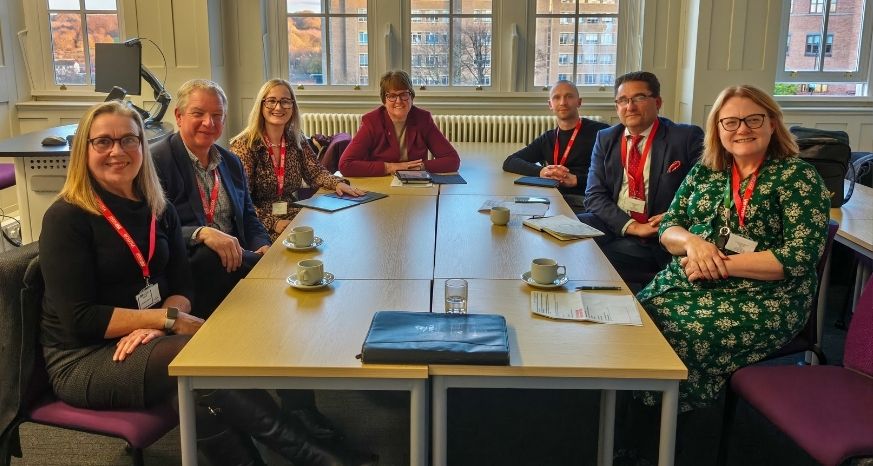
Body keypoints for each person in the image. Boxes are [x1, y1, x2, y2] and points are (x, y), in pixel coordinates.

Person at [39, 101, 374, 466]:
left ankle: (301, 456)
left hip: (146, 336)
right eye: (102, 142)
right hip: (87, 356)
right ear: (83, 151)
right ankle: (319, 457)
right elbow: (79, 318)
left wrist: (164, 318)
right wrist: (162, 321)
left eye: (128, 140)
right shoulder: (66, 217)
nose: (117, 151)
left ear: (141, 146)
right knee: (197, 359)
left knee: (200, 394)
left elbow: (184, 286)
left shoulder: (156, 206)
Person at [633, 84, 830, 462]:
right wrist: (693, 243)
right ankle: (638, 419)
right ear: (718, 130)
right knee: (638, 319)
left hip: (766, 296)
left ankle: (673, 438)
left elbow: (799, 257)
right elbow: (668, 226)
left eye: (753, 119)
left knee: (683, 333)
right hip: (692, 277)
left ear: (772, 124)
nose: (742, 129)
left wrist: (719, 263)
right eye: (731, 122)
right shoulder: (706, 173)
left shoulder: (797, 178)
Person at [152, 79, 271, 317]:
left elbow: (248, 216)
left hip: (234, 260)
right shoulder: (157, 161)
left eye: (218, 115)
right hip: (191, 265)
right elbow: (153, 227)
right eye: (199, 113)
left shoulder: (231, 162)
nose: (209, 123)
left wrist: (263, 245)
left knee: (273, 260)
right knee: (268, 277)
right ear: (179, 115)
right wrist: (201, 233)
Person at [580, 71, 703, 289]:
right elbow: (594, 195)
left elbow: (703, 191)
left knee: (595, 256)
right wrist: (632, 226)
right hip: (618, 221)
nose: (630, 107)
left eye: (639, 98)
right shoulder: (606, 138)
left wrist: (673, 215)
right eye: (623, 101)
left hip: (659, 232)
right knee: (567, 234)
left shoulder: (685, 138)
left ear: (657, 102)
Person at [230, 79, 365, 242]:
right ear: (261, 105)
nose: (278, 107)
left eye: (285, 102)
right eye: (271, 101)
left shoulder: (295, 138)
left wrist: (337, 183)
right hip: (258, 224)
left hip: (291, 211)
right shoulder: (245, 145)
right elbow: (240, 200)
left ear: (292, 107)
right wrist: (274, 223)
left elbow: (315, 172)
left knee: (337, 231)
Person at [502, 80, 608, 212]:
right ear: (550, 104)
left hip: (586, 200)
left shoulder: (601, 133)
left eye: (569, 96)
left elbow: (612, 176)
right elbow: (510, 162)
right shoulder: (548, 138)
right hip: (554, 197)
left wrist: (576, 180)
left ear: (579, 102)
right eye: (556, 97)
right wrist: (541, 171)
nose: (563, 102)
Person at [338, 70, 460, 177]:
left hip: (416, 183)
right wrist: (391, 167)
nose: (399, 101)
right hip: (380, 182)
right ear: (384, 100)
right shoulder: (372, 122)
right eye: (392, 96)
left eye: (404, 94)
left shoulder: (423, 119)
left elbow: (452, 160)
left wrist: (419, 166)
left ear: (411, 96)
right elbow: (345, 165)